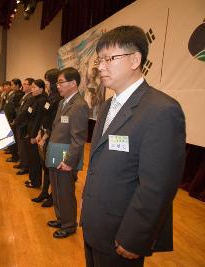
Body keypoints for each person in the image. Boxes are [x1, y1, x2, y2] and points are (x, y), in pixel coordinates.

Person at [80, 25, 186, 267]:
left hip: (122, 234)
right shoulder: (107, 106)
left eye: (109, 58)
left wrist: (135, 237)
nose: (100, 66)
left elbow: (158, 186)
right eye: (99, 59)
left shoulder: (161, 110)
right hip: (95, 224)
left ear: (135, 60)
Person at [47, 67, 89, 238]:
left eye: (61, 82)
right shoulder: (63, 102)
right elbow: (58, 127)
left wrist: (69, 161)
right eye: (57, 82)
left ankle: (69, 224)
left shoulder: (79, 105)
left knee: (65, 191)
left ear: (73, 83)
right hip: (55, 153)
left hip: (66, 156)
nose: (58, 86)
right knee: (56, 190)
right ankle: (61, 218)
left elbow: (78, 138)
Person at [32, 68, 62, 207]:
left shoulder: (59, 99)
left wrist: (45, 136)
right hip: (44, 133)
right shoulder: (50, 97)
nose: (47, 84)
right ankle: (44, 191)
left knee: (51, 167)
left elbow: (55, 121)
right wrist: (39, 132)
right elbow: (44, 117)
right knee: (45, 166)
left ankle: (51, 195)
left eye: (48, 81)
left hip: (52, 137)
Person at [24, 79, 48, 188]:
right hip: (30, 130)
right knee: (31, 158)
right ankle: (32, 178)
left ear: (41, 89)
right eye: (32, 87)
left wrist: (34, 136)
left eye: (34, 87)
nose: (32, 89)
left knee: (35, 160)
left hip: (35, 133)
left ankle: (36, 182)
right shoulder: (35, 99)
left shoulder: (42, 100)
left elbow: (38, 120)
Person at [11, 78, 34, 175]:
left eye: (25, 84)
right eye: (23, 84)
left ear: (30, 86)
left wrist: (16, 121)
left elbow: (24, 112)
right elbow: (19, 109)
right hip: (19, 124)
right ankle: (22, 162)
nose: (23, 85)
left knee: (24, 147)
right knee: (20, 146)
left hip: (23, 125)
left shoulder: (31, 97)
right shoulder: (24, 96)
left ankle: (25, 166)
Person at [4, 78, 24, 163]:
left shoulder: (19, 94)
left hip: (14, 119)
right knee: (12, 138)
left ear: (17, 85)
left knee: (14, 139)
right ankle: (13, 155)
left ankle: (15, 156)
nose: (11, 86)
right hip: (9, 118)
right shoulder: (13, 93)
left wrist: (13, 119)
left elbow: (15, 108)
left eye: (12, 84)